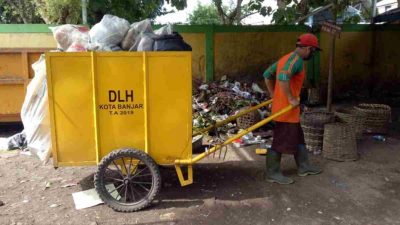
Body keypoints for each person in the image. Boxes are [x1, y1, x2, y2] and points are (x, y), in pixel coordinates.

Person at [262, 33, 322, 184]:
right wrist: (290, 98)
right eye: (313, 51)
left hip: (287, 108)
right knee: (280, 141)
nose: (312, 54)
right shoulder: (296, 61)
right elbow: (282, 77)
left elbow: (267, 74)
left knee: (299, 138)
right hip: (286, 110)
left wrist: (273, 95)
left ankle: (304, 166)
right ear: (309, 48)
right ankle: (272, 173)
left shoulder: (285, 58)